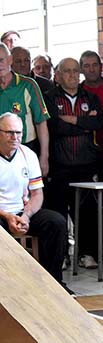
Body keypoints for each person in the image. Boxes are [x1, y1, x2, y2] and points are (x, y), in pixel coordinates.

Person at [44, 58, 103, 270]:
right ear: (58, 75)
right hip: (59, 165)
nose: (72, 75)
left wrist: (72, 120)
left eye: (76, 71)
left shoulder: (90, 97)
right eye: (67, 71)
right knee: (58, 213)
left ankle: (86, 254)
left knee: (87, 212)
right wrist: (83, 123)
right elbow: (54, 126)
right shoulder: (49, 98)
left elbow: (97, 123)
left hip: (85, 164)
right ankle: (61, 256)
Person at [0, 112, 69, 292]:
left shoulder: (27, 154)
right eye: (9, 132)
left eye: (18, 133)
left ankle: (52, 284)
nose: (15, 137)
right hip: (2, 214)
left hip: (22, 211)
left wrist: (26, 216)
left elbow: (37, 194)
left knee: (57, 222)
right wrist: (8, 217)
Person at [0, 44, 50, 176]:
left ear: (9, 60)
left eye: (1, 60)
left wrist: (44, 157)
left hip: (25, 148)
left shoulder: (29, 85)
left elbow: (41, 122)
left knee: (28, 193)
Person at [80, 50, 103, 180]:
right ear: (81, 69)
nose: (91, 69)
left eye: (95, 65)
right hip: (87, 153)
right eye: (87, 66)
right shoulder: (78, 92)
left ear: (101, 66)